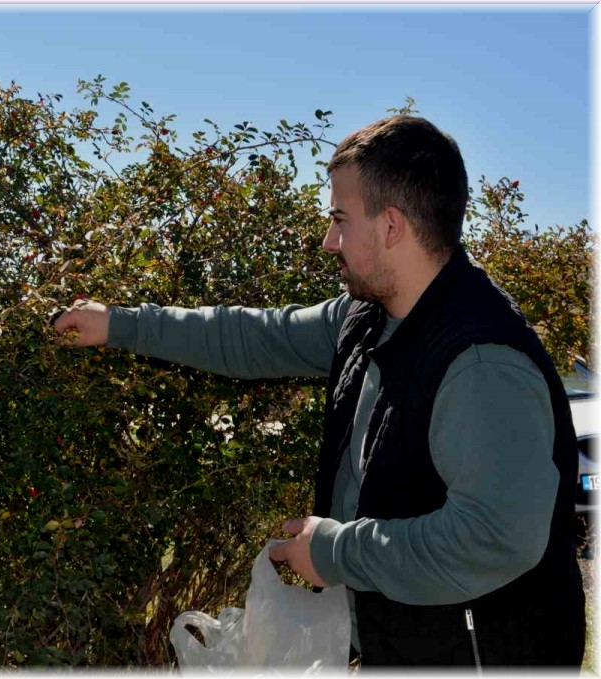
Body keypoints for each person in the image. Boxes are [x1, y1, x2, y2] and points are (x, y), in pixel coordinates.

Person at [51, 116, 584, 667]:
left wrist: (334, 551)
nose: (329, 240)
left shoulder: (482, 363)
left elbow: (493, 538)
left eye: (340, 219)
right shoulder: (365, 318)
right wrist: (118, 324)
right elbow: (251, 336)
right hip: (405, 644)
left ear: (392, 226)